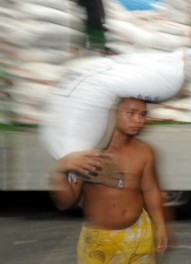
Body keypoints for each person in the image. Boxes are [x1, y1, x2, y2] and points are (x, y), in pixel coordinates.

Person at [50, 97, 169, 263]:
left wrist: (160, 225)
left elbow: (150, 189)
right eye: (131, 113)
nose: (138, 120)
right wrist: (60, 170)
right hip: (100, 242)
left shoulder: (144, 152)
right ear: (112, 114)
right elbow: (65, 203)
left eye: (142, 114)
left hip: (140, 233)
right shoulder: (88, 154)